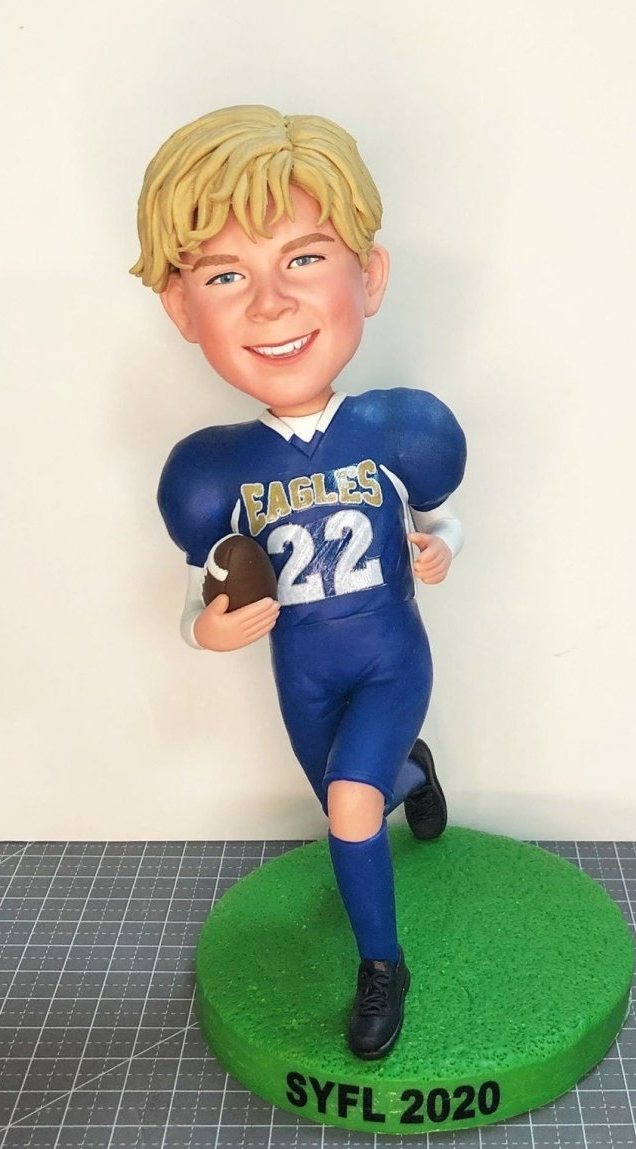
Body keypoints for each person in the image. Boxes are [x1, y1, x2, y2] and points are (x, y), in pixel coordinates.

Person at [132, 106, 467, 1059]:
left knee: (349, 807)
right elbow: (204, 590)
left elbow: (436, 515)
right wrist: (206, 629)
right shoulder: (212, 470)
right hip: (303, 670)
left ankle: (382, 965)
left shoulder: (399, 429)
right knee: (344, 794)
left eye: (304, 259)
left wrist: (441, 547)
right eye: (226, 275)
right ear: (181, 306)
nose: (271, 305)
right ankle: (416, 774)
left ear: (370, 275)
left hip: (390, 652)